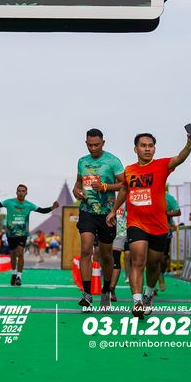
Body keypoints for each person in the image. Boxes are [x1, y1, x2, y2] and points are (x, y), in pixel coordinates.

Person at [107, 129, 191, 318]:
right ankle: (137, 301)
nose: (147, 149)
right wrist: (113, 210)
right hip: (136, 223)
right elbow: (124, 190)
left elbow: (179, 158)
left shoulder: (162, 165)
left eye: (150, 146)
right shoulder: (129, 170)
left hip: (158, 225)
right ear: (136, 149)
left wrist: (189, 144)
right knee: (137, 260)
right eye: (143, 146)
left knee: (154, 264)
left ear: (154, 149)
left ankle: (148, 294)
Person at [72, 128, 125, 309]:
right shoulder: (82, 161)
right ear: (86, 143)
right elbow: (78, 182)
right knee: (86, 249)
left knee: (106, 255)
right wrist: (76, 190)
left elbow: (124, 185)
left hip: (107, 214)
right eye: (90, 145)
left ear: (103, 143)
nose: (93, 148)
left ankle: (106, 290)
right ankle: (87, 294)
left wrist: (104, 187)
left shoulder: (113, 161)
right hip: (87, 210)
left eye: (96, 145)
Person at [0, 184, 58, 286]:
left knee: (20, 252)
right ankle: (14, 273)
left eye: (23, 191)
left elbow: (42, 210)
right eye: (19, 191)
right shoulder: (9, 202)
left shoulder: (29, 205)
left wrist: (52, 207)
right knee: (13, 255)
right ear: (16, 192)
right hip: (11, 233)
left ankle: (19, 276)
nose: (21, 193)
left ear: (26, 193)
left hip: (22, 233)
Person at [159, 190, 181, 292]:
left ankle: (161, 275)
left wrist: (164, 214)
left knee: (163, 258)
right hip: (149, 230)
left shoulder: (167, 197)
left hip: (165, 231)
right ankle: (151, 286)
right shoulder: (147, 194)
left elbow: (178, 211)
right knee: (151, 259)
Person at [109, 204, 128, 302]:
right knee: (111, 259)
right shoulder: (109, 196)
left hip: (127, 230)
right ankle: (110, 288)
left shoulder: (129, 196)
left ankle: (111, 289)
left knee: (118, 258)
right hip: (112, 230)